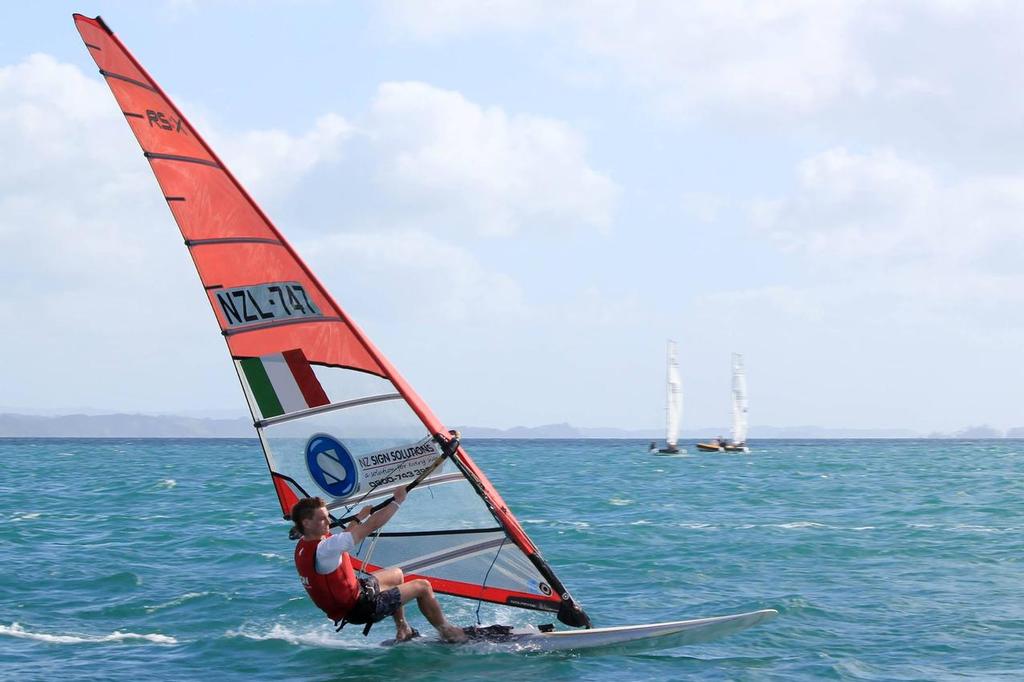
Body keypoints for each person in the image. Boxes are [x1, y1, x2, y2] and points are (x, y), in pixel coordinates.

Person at [292, 488, 466, 642]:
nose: (328, 522)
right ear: (306, 523)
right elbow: (372, 525)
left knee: (396, 575)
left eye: (327, 517)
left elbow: (342, 538)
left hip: (354, 598)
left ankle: (402, 629)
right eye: (322, 519)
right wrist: (398, 501)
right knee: (423, 586)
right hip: (361, 609)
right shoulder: (325, 549)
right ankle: (448, 632)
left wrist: (359, 517)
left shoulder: (304, 544)